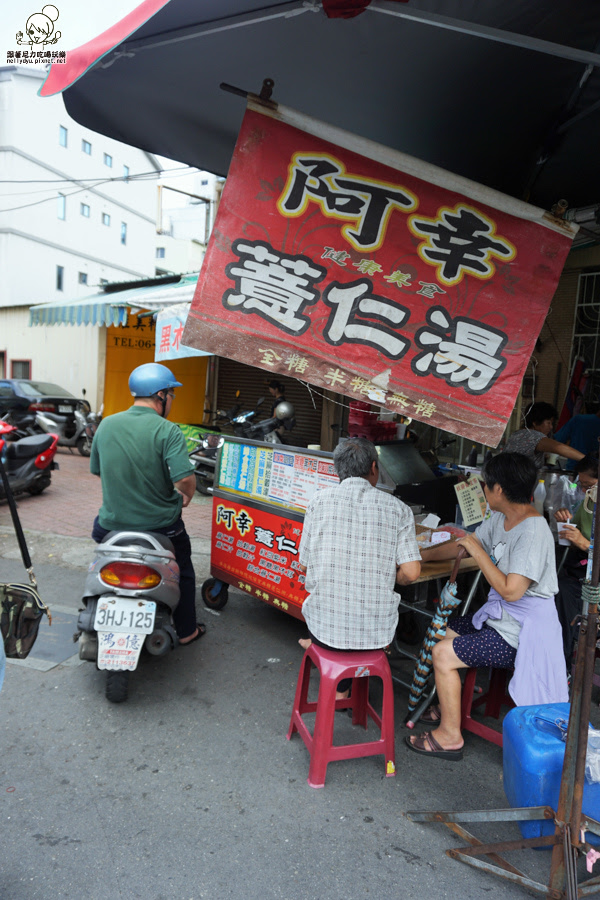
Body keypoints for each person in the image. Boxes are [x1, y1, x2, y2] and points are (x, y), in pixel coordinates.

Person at [406, 452, 568, 761]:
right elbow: (465, 545)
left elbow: (511, 591)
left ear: (500, 490)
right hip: (501, 619)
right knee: (442, 633)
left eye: (486, 484)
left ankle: (450, 737)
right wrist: (419, 556)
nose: (483, 489)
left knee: (442, 654)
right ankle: (448, 705)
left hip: (522, 633)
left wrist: (478, 552)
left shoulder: (533, 532)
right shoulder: (501, 518)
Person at [90, 363, 204, 645]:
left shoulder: (107, 425)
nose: (172, 400)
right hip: (162, 527)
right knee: (183, 570)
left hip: (111, 526)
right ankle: (187, 631)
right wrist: (186, 495)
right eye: (172, 395)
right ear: (161, 395)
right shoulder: (168, 430)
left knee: (98, 553)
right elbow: (184, 478)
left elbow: (97, 470)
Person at [298, 437, 421, 698]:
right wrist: (388, 574)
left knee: (326, 623)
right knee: (355, 626)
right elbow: (411, 573)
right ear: (374, 468)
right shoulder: (399, 509)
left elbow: (304, 565)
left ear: (338, 469)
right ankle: (342, 685)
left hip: (323, 628)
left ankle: (328, 668)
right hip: (377, 637)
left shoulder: (318, 502)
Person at [553, 456, 598, 671]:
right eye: (581, 485)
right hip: (581, 572)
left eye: (588, 485)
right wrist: (566, 524)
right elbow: (573, 539)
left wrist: (585, 544)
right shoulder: (588, 503)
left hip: (594, 584)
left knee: (563, 593)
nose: (583, 490)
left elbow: (583, 543)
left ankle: (561, 666)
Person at [504, 401, 584, 470]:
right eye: (548, 423)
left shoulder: (518, 433)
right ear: (535, 422)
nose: (551, 427)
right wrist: (586, 459)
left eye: (551, 423)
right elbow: (559, 447)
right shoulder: (533, 436)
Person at [554, 406, 600, 471]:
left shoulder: (579, 419)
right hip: (594, 471)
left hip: (573, 470)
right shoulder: (578, 420)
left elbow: (557, 442)